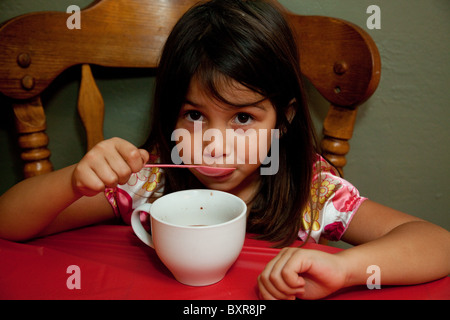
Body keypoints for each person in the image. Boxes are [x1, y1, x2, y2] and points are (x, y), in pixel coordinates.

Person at [0, 0, 448, 300]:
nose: (212, 144)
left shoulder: (312, 192)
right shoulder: (148, 181)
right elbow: (8, 225)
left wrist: (347, 270)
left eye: (243, 118)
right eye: (194, 116)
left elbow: (437, 244)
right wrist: (75, 179)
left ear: (285, 119)